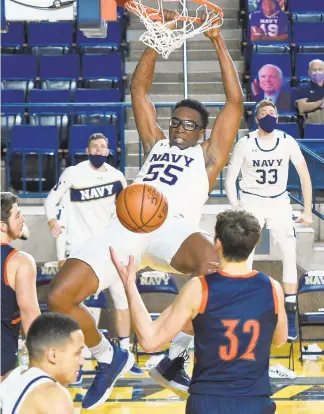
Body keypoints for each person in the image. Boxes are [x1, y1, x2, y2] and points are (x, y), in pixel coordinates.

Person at [47, 11, 243, 410]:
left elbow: (235, 101)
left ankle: (174, 355)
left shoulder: (209, 157)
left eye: (188, 125)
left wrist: (218, 40)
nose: (178, 128)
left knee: (215, 269)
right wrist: (158, 36)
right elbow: (139, 90)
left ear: (202, 132)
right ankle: (108, 356)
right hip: (125, 226)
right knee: (59, 296)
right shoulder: (155, 143)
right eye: (175, 122)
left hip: (172, 228)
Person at [110, 209, 288, 414]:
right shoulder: (273, 288)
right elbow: (280, 339)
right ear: (253, 244)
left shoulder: (199, 288)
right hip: (256, 403)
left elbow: (149, 341)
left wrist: (130, 285)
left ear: (217, 243)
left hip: (208, 403)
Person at [44, 134, 142, 375]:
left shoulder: (117, 177)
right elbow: (51, 199)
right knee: (74, 304)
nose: (98, 150)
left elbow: (128, 209)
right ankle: (82, 356)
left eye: (103, 147)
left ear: (109, 151)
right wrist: (51, 221)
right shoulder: (73, 174)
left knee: (121, 300)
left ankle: (125, 355)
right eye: (94, 146)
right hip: (81, 248)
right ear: (87, 149)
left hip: (111, 247)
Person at [225, 99, 313, 341]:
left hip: (278, 201)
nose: (268, 116)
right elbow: (229, 179)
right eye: (263, 113)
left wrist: (307, 210)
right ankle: (242, 310)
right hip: (252, 201)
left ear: (277, 116)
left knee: (289, 251)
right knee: (244, 255)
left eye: (272, 112)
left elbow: (305, 177)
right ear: (256, 119)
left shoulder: (287, 141)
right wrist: (236, 207)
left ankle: (290, 310)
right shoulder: (245, 143)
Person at [1, 312, 84, 413]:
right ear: (53, 355)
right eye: (77, 353)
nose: (81, 361)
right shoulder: (53, 396)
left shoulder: (12, 377)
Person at [1, 192, 40, 381]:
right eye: (17, 216)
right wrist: (40, 363)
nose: (22, 219)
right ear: (2, 225)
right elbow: (30, 314)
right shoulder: (20, 261)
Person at [295, 59, 324, 124]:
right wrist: (321, 102)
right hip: (312, 121)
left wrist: (313, 105)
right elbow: (301, 107)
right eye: (314, 70)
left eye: (320, 69)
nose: (317, 72)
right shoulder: (303, 87)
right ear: (309, 72)